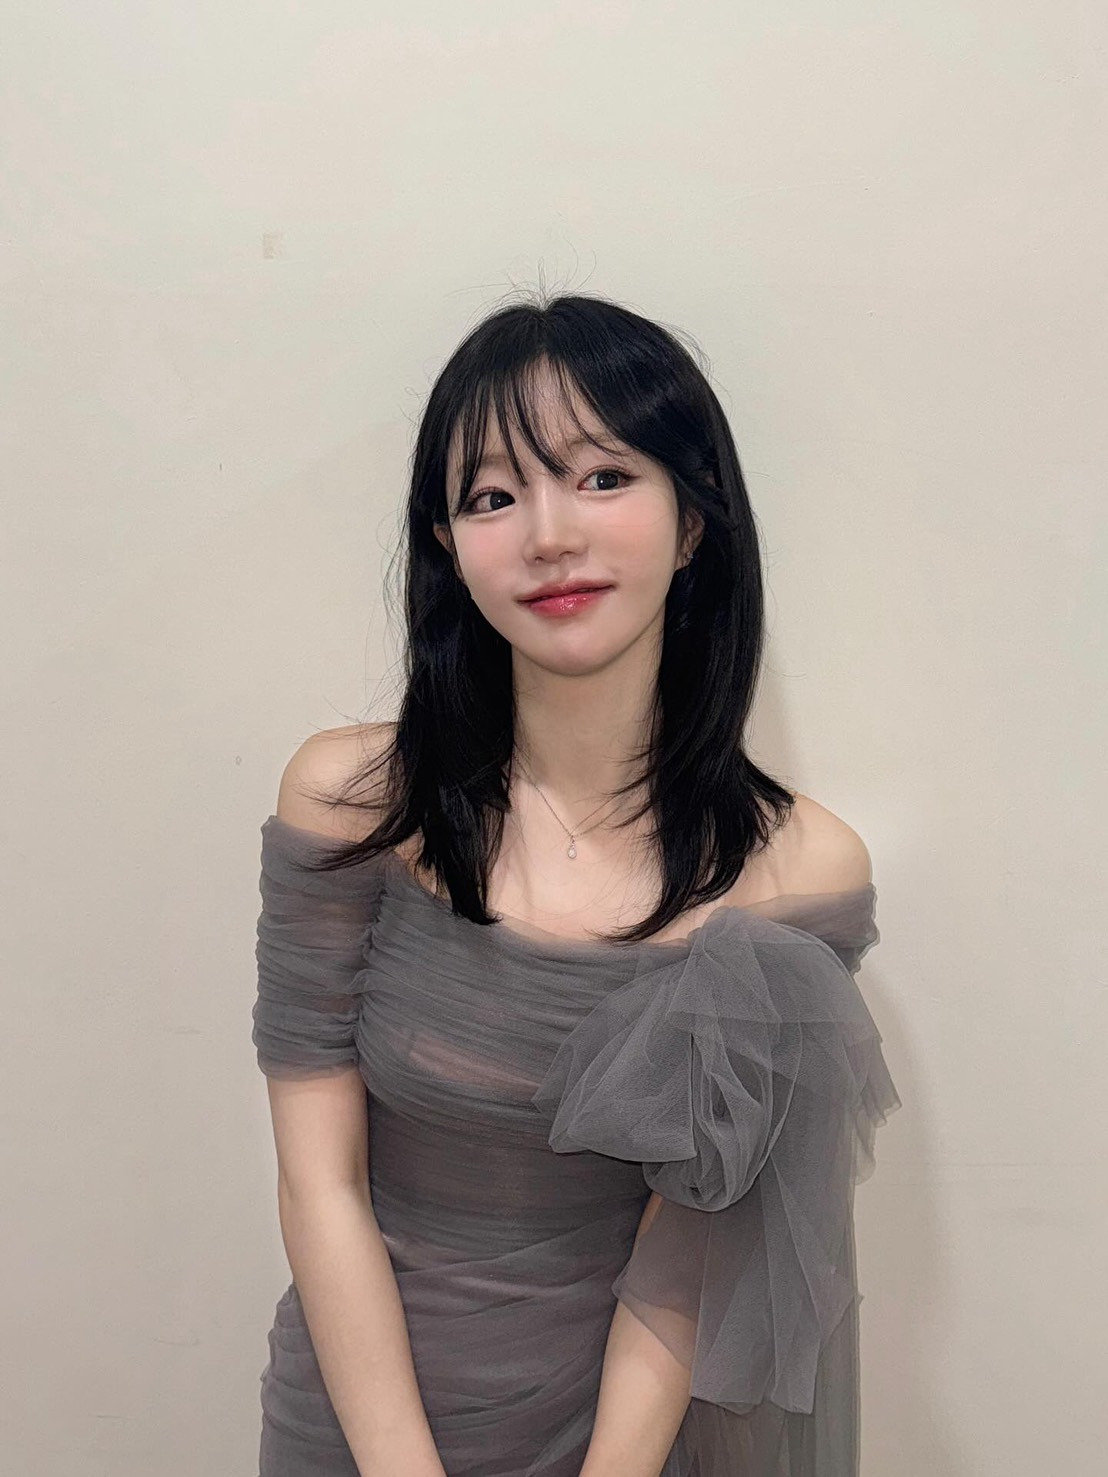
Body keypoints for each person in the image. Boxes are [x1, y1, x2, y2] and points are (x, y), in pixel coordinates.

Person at [251, 291, 901, 1477]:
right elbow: (318, 1180)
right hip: (361, 1420)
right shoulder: (349, 805)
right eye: (492, 496)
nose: (548, 535)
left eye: (602, 476)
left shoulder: (797, 873)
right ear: (447, 544)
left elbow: (696, 1246)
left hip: (642, 1442)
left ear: (692, 520)